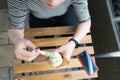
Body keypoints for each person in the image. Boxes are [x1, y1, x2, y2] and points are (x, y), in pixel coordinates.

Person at [7, 0, 91, 62]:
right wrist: (17, 40)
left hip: (66, 14)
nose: (52, 2)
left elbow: (85, 22)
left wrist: (73, 42)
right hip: (39, 18)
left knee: (69, 39)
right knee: (44, 45)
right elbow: (15, 27)